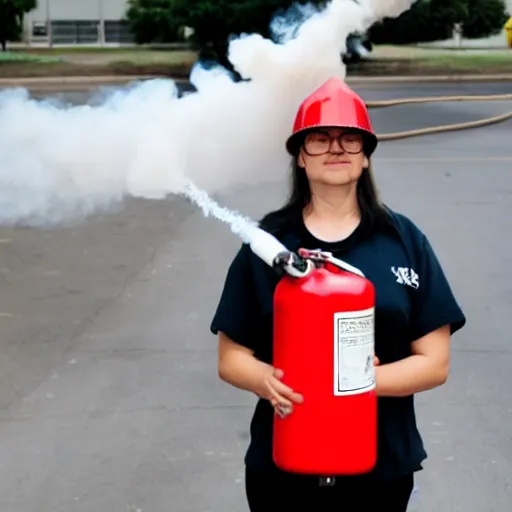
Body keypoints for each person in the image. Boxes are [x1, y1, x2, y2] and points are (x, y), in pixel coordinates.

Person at [210, 77, 466, 511]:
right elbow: (231, 357)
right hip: (283, 467)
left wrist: (352, 385)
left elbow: (434, 363)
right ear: (300, 159)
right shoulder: (268, 243)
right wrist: (266, 381)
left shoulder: (403, 240)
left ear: (365, 158)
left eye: (351, 139)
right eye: (320, 139)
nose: (336, 148)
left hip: (380, 468)